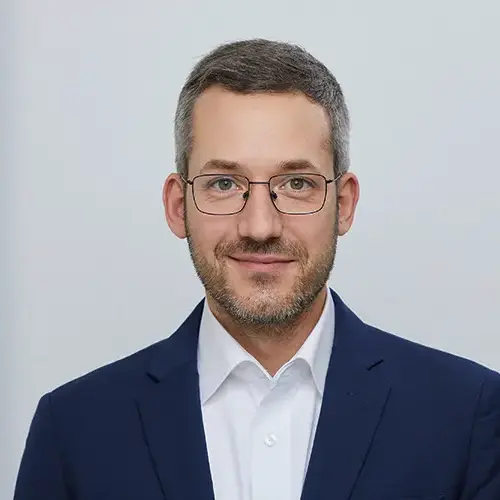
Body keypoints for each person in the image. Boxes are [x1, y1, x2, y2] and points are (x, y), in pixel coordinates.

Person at [14, 38, 500, 500]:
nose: (260, 226)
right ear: (178, 206)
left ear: (345, 204)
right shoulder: (73, 430)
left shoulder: (468, 414)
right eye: (224, 183)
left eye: (297, 184)